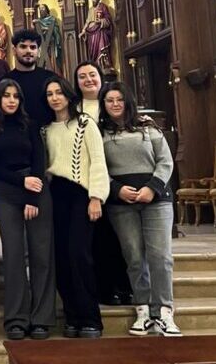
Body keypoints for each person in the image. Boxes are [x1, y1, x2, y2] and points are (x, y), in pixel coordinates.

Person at [99, 82, 181, 337]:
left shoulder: (148, 126)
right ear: (103, 104)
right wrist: (116, 189)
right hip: (122, 202)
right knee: (134, 256)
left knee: (160, 256)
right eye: (109, 100)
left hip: (155, 198)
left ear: (128, 101)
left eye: (119, 99)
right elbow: (98, 167)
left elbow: (165, 160)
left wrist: (152, 188)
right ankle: (144, 309)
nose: (115, 104)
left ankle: (164, 311)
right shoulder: (100, 131)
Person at [0, 79, 55, 340]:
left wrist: (33, 196)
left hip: (36, 189)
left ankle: (42, 317)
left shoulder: (30, 125)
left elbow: (39, 159)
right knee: (13, 255)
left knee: (41, 254)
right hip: (7, 191)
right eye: (6, 96)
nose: (11, 100)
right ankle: (16, 318)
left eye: (16, 96)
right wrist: (19, 182)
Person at [43, 76, 108, 339]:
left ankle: (90, 317)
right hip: (55, 194)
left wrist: (96, 197)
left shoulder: (84, 124)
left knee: (79, 254)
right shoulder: (46, 129)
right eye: (50, 94)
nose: (55, 98)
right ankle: (72, 315)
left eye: (59, 92)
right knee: (60, 257)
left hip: (80, 194)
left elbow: (98, 161)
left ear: (69, 95)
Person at [74, 60, 133, 306]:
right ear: (76, 82)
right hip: (86, 181)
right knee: (96, 239)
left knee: (119, 238)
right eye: (82, 76)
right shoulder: (74, 108)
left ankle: (124, 287)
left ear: (100, 78)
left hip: (117, 177)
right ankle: (103, 288)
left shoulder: (111, 103)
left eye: (92, 75)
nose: (88, 80)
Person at [3, 29, 57, 128]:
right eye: (23, 46)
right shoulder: (5, 81)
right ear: (14, 50)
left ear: (39, 51)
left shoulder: (51, 78)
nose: (28, 51)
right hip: (18, 136)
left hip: (48, 134)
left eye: (33, 47)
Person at [80, 0, 114, 73]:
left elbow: (108, 19)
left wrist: (100, 21)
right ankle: (96, 66)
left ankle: (104, 66)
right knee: (93, 51)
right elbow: (87, 22)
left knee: (102, 48)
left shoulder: (103, 7)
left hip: (100, 31)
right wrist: (83, 31)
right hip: (91, 33)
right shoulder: (90, 9)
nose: (93, 0)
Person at [33, 4, 62, 73]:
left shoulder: (52, 19)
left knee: (51, 60)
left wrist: (45, 28)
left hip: (51, 42)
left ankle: (52, 72)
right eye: (40, 9)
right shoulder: (38, 21)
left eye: (43, 8)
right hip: (41, 43)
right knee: (42, 59)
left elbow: (55, 30)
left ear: (46, 9)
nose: (41, 10)